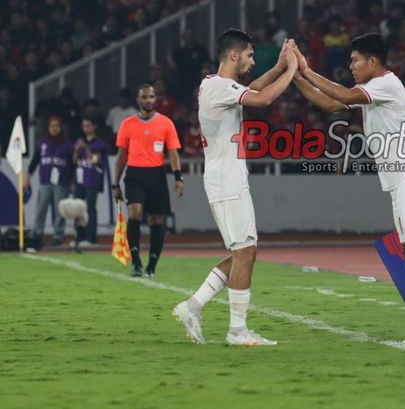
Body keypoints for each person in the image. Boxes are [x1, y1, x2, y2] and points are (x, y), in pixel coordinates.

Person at [292, 33, 405, 344]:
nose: (350, 66)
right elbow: (328, 102)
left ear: (372, 62)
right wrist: (294, 75)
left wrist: (307, 70)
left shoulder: (385, 84)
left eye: (355, 60)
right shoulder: (376, 89)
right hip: (402, 180)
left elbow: (345, 96)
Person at [172, 29, 298, 346]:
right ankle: (237, 330)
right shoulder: (217, 87)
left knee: (242, 252)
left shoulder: (213, 85)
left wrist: (280, 67)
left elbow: (252, 89)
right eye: (250, 55)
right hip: (226, 177)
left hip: (225, 175)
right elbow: (265, 98)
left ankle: (193, 306)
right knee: (246, 251)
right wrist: (293, 71)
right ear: (233, 55)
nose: (252, 61)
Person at [112, 84, 184, 278]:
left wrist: (178, 177)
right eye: (144, 97)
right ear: (138, 100)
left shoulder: (166, 123)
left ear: (155, 99)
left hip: (157, 175)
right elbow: (121, 156)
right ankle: (136, 262)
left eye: (151, 97)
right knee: (135, 213)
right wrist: (115, 183)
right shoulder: (127, 124)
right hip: (135, 174)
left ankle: (152, 264)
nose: (148, 100)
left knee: (156, 219)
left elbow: (173, 153)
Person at [26, 115, 75, 247]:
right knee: (40, 209)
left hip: (62, 182)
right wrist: (28, 176)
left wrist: (72, 182)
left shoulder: (68, 145)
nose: (54, 129)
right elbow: (35, 161)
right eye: (52, 126)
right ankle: (37, 234)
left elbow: (73, 165)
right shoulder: (42, 143)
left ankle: (58, 236)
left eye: (57, 126)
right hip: (45, 181)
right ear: (48, 128)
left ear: (61, 127)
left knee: (60, 211)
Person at [73, 117, 107, 247]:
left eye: (88, 125)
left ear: (94, 127)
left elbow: (94, 160)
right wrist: (76, 150)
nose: (85, 128)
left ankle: (91, 237)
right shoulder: (79, 141)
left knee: (90, 208)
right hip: (79, 179)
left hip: (92, 179)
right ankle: (79, 237)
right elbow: (74, 161)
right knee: (77, 208)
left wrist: (86, 148)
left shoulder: (99, 143)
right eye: (84, 126)